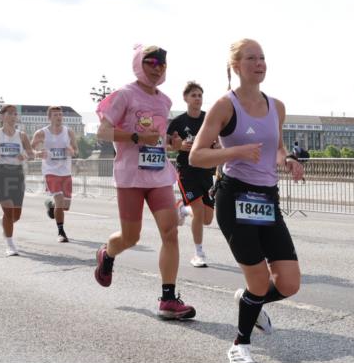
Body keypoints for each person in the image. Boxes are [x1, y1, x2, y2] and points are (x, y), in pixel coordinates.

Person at [190, 38, 304, 363]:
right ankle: (240, 344)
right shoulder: (225, 106)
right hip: (235, 197)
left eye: (263, 57)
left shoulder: (277, 106)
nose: (259, 63)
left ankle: (248, 301)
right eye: (251, 58)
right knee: (257, 279)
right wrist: (235, 151)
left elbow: (278, 147)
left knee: (289, 282)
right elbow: (197, 155)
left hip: (267, 199)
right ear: (236, 66)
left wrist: (289, 160)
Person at [93, 45, 195, 321]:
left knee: (170, 231)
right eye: (151, 62)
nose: (157, 68)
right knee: (131, 237)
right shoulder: (124, 94)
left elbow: (159, 140)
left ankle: (168, 299)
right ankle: (107, 253)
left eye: (162, 64)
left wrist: (173, 144)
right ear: (139, 64)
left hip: (158, 173)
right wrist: (137, 138)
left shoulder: (165, 101)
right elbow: (103, 131)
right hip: (130, 176)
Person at [166, 81, 216, 267]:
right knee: (197, 211)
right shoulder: (178, 122)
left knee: (207, 219)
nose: (197, 98)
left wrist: (218, 147)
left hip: (206, 171)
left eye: (200, 95)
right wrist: (177, 146)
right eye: (194, 95)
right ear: (185, 98)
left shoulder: (209, 118)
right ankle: (199, 253)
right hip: (187, 171)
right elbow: (165, 143)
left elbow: (218, 140)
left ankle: (181, 209)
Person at [0, 104, 33, 256]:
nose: (13, 116)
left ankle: (3, 221)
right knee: (9, 212)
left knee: (16, 216)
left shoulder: (22, 135)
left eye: (15, 114)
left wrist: (25, 155)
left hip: (17, 175)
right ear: (1, 116)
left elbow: (31, 152)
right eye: (9, 113)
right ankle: (10, 245)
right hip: (0, 175)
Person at [31, 106, 78, 242]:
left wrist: (72, 151)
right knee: (59, 201)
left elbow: (76, 150)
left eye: (60, 114)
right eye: (56, 115)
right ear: (49, 117)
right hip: (50, 171)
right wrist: (37, 153)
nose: (59, 117)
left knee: (66, 206)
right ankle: (61, 232)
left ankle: (50, 204)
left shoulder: (69, 132)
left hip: (66, 171)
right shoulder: (42, 133)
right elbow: (30, 149)